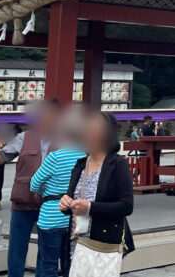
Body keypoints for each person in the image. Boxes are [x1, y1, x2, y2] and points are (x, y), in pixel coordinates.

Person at [0, 99, 62, 277]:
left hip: (50, 204)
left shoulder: (64, 141)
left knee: (47, 250)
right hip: (23, 201)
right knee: (17, 248)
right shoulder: (24, 137)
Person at [60, 111, 134, 277]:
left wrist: (90, 207)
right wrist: (65, 203)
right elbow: (72, 201)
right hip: (77, 243)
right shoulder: (80, 164)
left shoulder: (117, 165)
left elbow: (127, 206)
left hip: (103, 244)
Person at [30, 112, 85, 277]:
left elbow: (34, 184)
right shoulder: (85, 156)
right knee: (71, 264)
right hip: (74, 218)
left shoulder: (55, 157)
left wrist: (45, 191)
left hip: (51, 216)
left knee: (48, 264)